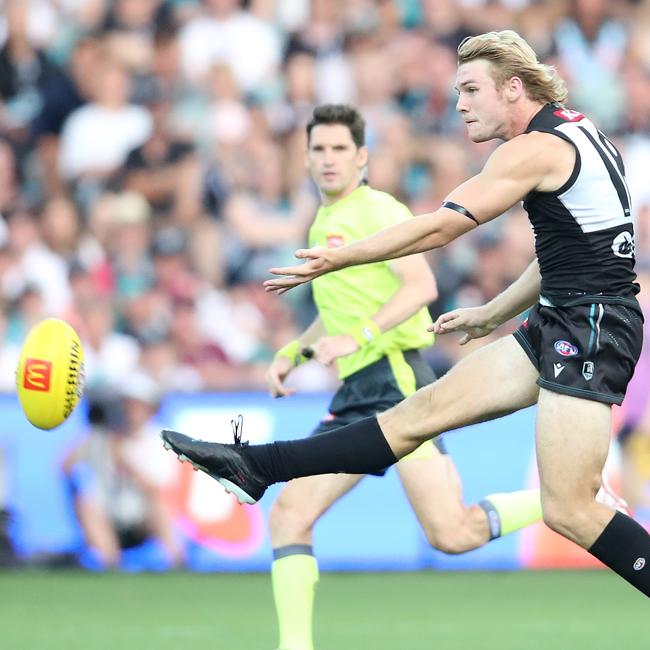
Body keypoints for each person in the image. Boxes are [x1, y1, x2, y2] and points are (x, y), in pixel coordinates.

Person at [160, 31, 650, 599]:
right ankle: (255, 467)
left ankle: (257, 466)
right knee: (419, 413)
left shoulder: (532, 149)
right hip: (563, 317)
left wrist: (341, 258)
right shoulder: (579, 132)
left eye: (471, 90)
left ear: (513, 88)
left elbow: (444, 225)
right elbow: (568, 251)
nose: (460, 104)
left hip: (590, 329)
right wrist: (494, 311)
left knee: (568, 509)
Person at [263, 104, 542, 650]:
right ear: (305, 158)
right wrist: (295, 352)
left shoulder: (377, 210)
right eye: (319, 149)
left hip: (394, 381)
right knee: (290, 514)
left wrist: (360, 337)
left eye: (340, 148)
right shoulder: (323, 220)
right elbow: (340, 309)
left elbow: (419, 286)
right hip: (357, 389)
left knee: (452, 533)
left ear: (362, 157)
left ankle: (563, 497)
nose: (328, 159)